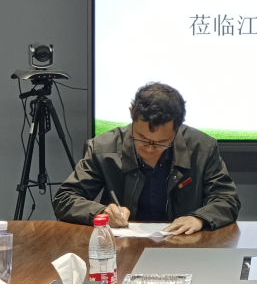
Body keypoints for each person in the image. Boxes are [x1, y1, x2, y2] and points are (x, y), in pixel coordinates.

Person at [53, 82, 240, 235]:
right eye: (141, 139)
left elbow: (227, 199)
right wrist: (100, 212)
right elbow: (65, 198)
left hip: (182, 243)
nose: (150, 149)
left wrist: (199, 218)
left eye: (161, 143)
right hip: (123, 246)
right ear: (131, 113)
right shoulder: (103, 148)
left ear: (178, 127)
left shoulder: (202, 148)